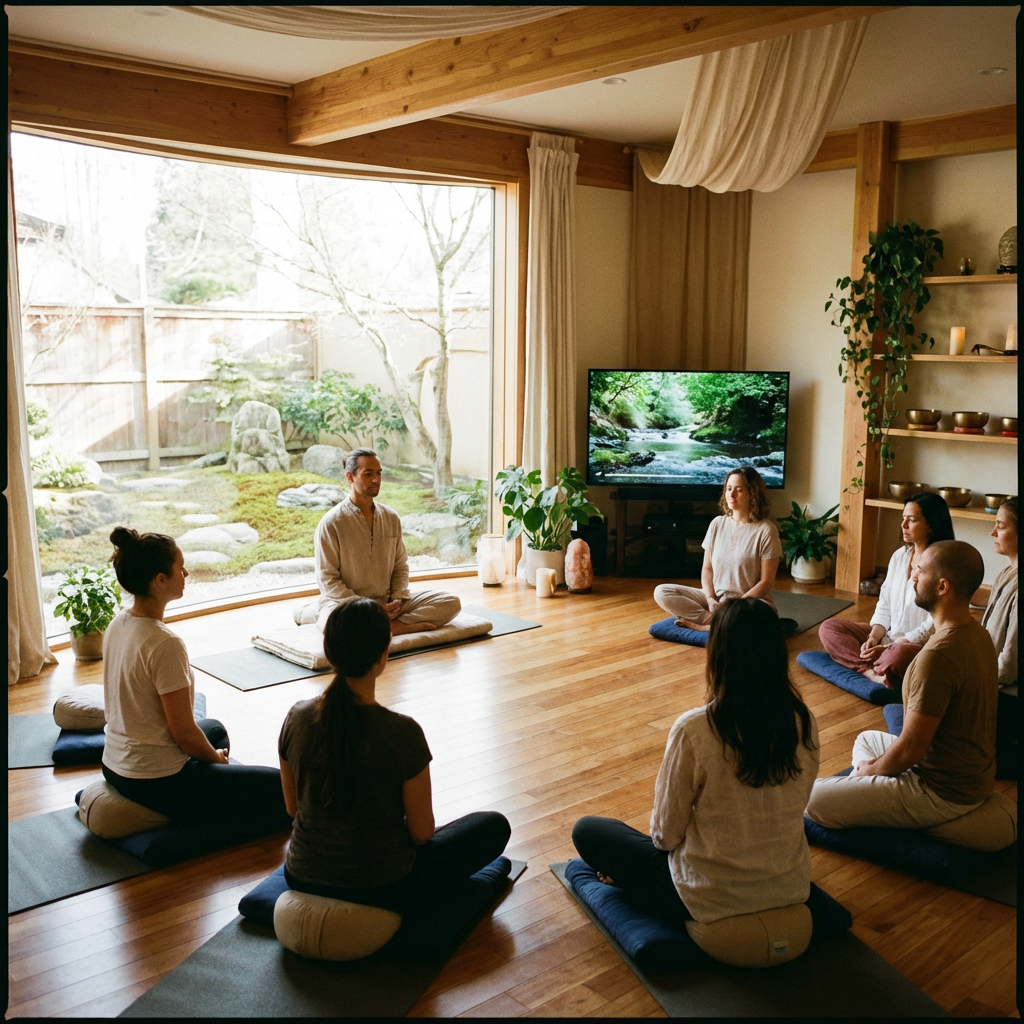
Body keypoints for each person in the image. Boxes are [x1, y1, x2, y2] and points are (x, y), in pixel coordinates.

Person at [573, 598, 820, 925]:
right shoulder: (803, 720)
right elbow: (798, 801)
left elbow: (664, 837)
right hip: (788, 888)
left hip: (705, 899)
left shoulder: (696, 728)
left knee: (588, 830)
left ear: (718, 654)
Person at [277, 598, 511, 910]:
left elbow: (293, 809)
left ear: (330, 650)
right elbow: (421, 833)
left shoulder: (296, 716)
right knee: (493, 826)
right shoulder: (402, 732)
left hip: (301, 875)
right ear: (382, 654)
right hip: (383, 888)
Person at [806, 540, 997, 831]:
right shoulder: (979, 635)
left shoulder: (937, 656)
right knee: (866, 740)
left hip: (939, 790)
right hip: (970, 776)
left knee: (811, 799)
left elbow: (910, 749)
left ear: (942, 587)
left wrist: (869, 772)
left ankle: (924, 820)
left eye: (920, 571)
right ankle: (879, 798)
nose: (913, 576)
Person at [101, 527, 288, 822]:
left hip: (113, 764)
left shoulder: (119, 623)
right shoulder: (164, 643)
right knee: (282, 790)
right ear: (160, 580)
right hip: (156, 780)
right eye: (180, 568)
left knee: (213, 729)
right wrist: (218, 762)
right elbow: (184, 735)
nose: (186, 573)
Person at [314, 448, 461, 634]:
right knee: (331, 625)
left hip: (389, 603)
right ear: (350, 477)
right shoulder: (331, 523)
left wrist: (398, 597)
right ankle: (392, 626)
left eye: (378, 473)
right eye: (368, 474)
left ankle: (389, 626)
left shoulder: (391, 517)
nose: (376, 479)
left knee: (450, 603)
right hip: (349, 606)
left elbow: (400, 565)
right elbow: (327, 580)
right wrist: (369, 607)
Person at [818, 492, 954, 688]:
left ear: (931, 524)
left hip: (918, 646)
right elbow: (885, 603)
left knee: (898, 656)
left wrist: (892, 646)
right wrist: (874, 637)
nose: (903, 525)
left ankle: (877, 664)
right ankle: (869, 670)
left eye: (912, 520)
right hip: (889, 636)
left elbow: (933, 625)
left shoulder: (944, 564)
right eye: (903, 518)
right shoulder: (899, 556)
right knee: (829, 628)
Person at [653, 466, 782, 631]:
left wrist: (733, 606)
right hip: (717, 598)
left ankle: (708, 627)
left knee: (758, 617)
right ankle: (709, 620)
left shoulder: (766, 530)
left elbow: (766, 583)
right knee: (662, 592)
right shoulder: (717, 524)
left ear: (753, 494)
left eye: (739, 490)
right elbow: (707, 569)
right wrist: (710, 599)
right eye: (728, 489)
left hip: (749, 603)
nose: (731, 494)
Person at [983, 497, 1017, 688]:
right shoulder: (1006, 573)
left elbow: (1008, 666)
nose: (993, 532)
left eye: (1001, 527)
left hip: (1005, 693)